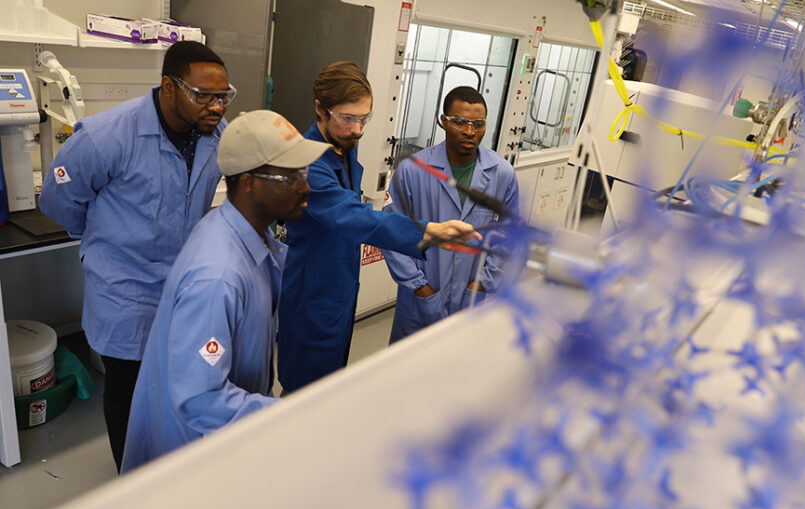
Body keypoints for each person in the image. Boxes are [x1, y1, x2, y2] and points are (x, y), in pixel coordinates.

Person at [38, 41, 233, 472]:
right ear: (169, 87)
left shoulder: (213, 133)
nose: (216, 106)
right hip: (125, 288)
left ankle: (167, 469)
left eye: (223, 96)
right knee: (127, 385)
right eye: (203, 95)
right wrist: (102, 241)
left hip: (183, 284)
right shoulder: (107, 136)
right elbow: (57, 200)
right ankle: (131, 476)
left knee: (175, 377)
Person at [120, 110, 330, 473]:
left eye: (304, 174)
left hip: (228, 432)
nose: (305, 187)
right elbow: (200, 397)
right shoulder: (217, 277)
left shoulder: (248, 233)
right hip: (196, 448)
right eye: (291, 176)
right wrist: (290, 413)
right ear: (249, 183)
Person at [276, 62, 478, 393]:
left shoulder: (342, 151)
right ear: (320, 109)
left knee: (329, 386)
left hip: (339, 291)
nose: (357, 129)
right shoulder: (308, 162)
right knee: (304, 395)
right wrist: (427, 232)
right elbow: (352, 215)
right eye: (346, 118)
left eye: (363, 118)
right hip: (313, 295)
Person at [382, 86, 520, 343]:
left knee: (460, 372)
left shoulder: (501, 173)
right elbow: (391, 231)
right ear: (444, 121)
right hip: (420, 299)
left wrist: (483, 283)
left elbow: (511, 234)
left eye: (478, 124)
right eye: (460, 122)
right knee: (408, 372)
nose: (470, 131)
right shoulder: (413, 170)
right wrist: (419, 286)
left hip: (472, 299)